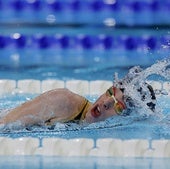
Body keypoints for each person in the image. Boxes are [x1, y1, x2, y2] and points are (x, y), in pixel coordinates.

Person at [0, 66, 156, 129]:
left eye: (118, 107)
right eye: (110, 93)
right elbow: (4, 124)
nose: (105, 103)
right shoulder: (62, 101)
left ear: (126, 119)